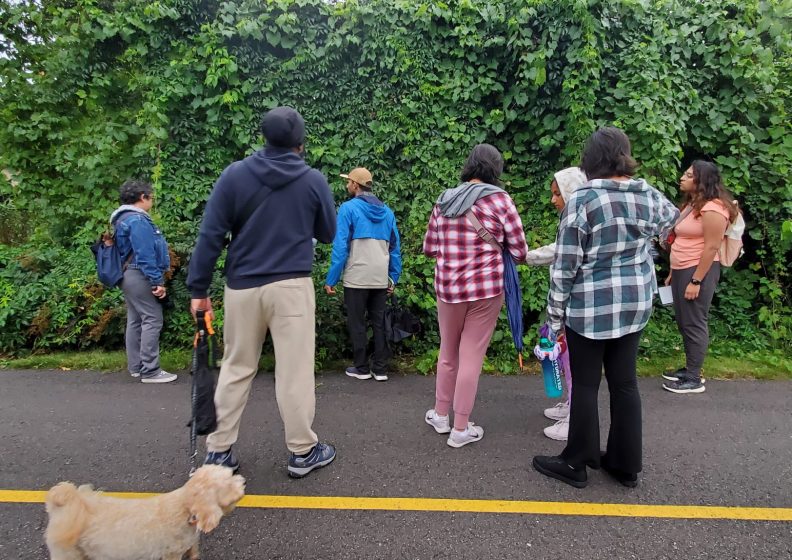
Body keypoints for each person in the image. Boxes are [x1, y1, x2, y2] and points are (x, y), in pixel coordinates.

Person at [187, 106, 338, 478]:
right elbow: (329, 232)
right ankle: (303, 451)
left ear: (264, 137)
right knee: (295, 371)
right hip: (291, 286)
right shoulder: (313, 180)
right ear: (300, 143)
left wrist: (198, 289)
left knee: (236, 367)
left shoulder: (234, 175)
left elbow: (210, 235)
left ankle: (219, 452)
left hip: (242, 287)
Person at [532, 127, 678, 488]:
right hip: (635, 304)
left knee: (585, 383)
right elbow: (673, 228)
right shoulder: (648, 194)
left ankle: (577, 462)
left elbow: (565, 266)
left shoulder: (583, 199)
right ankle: (626, 465)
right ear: (624, 155)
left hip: (591, 308)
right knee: (625, 383)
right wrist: (649, 249)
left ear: (591, 159)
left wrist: (553, 317)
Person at [423, 143, 528, 448]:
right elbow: (519, 251)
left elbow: (430, 247)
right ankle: (460, 428)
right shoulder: (501, 201)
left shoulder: (444, 200)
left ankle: (440, 414)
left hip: (448, 290)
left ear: (469, 165)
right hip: (485, 291)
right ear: (496, 169)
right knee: (471, 356)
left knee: (448, 353)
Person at [662, 161, 740, 394]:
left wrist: (696, 280)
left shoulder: (713, 210)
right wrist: (672, 272)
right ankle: (689, 369)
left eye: (688, 175)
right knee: (685, 320)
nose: (682, 178)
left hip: (698, 271)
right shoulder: (694, 205)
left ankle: (694, 378)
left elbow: (711, 247)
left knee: (695, 321)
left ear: (701, 181)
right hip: (682, 269)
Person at [525, 167, 587, 441]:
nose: (553, 200)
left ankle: (575, 419)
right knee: (566, 358)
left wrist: (556, 314)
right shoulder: (569, 219)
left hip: (576, 306)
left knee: (573, 362)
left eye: (557, 194)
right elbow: (557, 249)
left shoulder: (577, 220)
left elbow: (563, 258)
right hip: (571, 306)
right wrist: (527, 257)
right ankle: (571, 406)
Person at [324, 167, 402, 382]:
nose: (347, 185)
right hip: (380, 277)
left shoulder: (348, 209)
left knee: (357, 323)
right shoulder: (388, 212)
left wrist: (331, 279)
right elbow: (395, 249)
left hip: (356, 276)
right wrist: (393, 277)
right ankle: (381, 369)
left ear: (356, 185)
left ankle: (361, 368)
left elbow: (340, 248)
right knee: (378, 322)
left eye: (348, 182)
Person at [112, 180, 175, 384]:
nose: (152, 200)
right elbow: (145, 253)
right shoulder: (137, 221)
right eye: (151, 197)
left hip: (128, 275)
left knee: (136, 319)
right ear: (142, 197)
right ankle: (151, 370)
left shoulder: (122, 218)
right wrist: (157, 281)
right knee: (152, 318)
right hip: (139, 273)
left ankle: (137, 367)